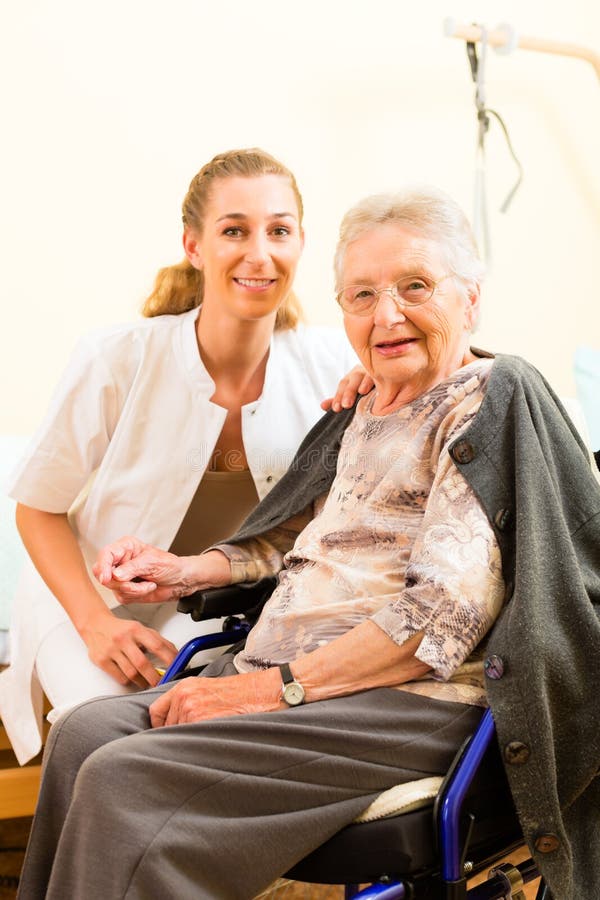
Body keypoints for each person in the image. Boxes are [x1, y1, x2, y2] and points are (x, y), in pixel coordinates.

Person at [18, 188, 600, 900]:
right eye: (362, 295)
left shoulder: (486, 400)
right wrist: (182, 571)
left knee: (123, 777)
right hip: (305, 687)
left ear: (471, 298)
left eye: (415, 286)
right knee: (83, 738)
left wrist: (264, 693)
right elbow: (294, 542)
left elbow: (440, 617)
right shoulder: (361, 406)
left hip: (412, 700)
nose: (386, 314)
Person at [0, 148, 370, 765]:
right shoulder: (114, 359)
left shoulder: (336, 368)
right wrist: (96, 624)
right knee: (102, 736)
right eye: (234, 231)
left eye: (279, 230)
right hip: (92, 607)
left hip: (225, 605)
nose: (260, 253)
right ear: (194, 246)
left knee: (190, 742)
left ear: (302, 242)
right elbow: (36, 509)